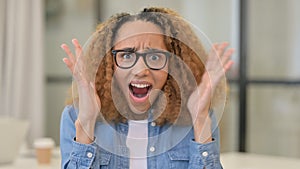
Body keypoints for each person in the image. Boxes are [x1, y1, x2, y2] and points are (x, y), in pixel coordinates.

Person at [60, 7, 234, 169]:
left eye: (155, 56)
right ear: (109, 63)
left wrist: (200, 119)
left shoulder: (199, 118)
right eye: (127, 55)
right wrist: (87, 123)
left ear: (172, 65)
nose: (141, 70)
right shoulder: (75, 116)